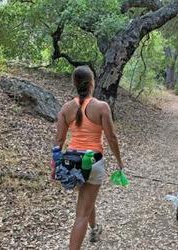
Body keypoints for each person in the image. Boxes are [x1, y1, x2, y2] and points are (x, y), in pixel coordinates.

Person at [51, 65, 124, 250]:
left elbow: (58, 141)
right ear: (92, 83)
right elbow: (111, 137)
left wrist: (54, 166)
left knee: (86, 199)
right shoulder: (101, 107)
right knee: (81, 213)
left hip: (72, 163)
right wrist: (119, 162)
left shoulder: (66, 108)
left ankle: (94, 229)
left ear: (75, 84)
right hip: (93, 161)